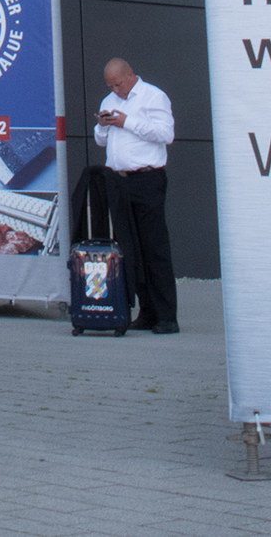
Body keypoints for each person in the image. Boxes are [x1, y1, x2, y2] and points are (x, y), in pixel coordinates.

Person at [94, 56, 177, 334]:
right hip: (118, 180)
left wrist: (127, 122)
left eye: (118, 84)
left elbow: (166, 134)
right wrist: (103, 125)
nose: (115, 90)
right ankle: (147, 311)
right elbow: (100, 140)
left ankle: (167, 316)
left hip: (146, 178)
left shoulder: (153, 96)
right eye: (110, 85)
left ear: (130, 75)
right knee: (130, 250)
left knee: (154, 248)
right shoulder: (109, 101)